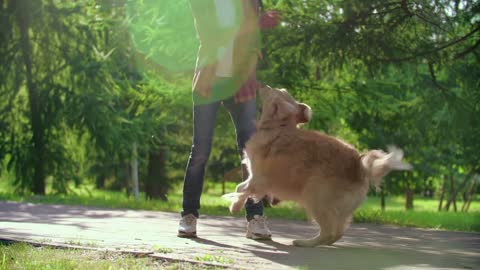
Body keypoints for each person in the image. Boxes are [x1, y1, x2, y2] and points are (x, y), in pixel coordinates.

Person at [178, 0, 281, 239]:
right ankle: (188, 215)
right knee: (201, 150)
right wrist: (256, 24)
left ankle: (255, 217)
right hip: (209, 81)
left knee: (250, 152)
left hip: (241, 82)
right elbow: (212, 32)